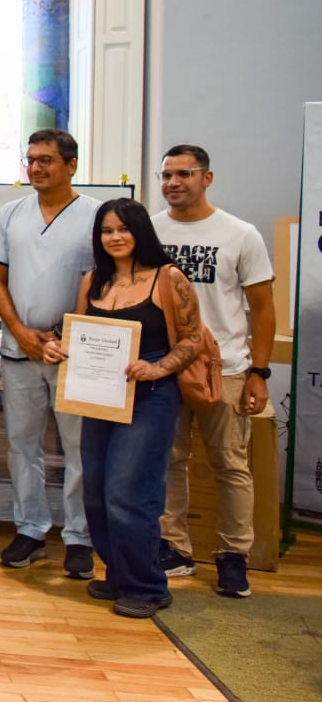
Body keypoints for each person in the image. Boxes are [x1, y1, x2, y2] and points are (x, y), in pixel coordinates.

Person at [41, 199, 203, 618]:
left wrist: (158, 367)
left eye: (123, 229)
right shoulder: (94, 281)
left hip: (151, 395)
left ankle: (147, 585)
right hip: (99, 395)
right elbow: (77, 333)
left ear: (140, 231)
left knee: (129, 493)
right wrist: (57, 347)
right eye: (106, 231)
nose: (114, 237)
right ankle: (119, 573)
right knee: (95, 492)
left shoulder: (168, 278)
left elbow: (193, 339)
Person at [152, 144, 276, 598]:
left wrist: (259, 371)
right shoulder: (150, 230)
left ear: (207, 178)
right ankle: (174, 548)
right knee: (169, 461)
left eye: (184, 174)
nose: (173, 183)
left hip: (225, 368)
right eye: (166, 175)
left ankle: (233, 556)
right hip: (166, 367)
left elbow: (263, 309)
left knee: (230, 464)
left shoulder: (240, 234)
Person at [0, 129, 100, 578]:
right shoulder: (11, 214)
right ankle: (30, 528)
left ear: (71, 165)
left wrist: (64, 335)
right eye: (30, 159)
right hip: (20, 350)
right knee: (22, 445)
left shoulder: (96, 216)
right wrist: (19, 331)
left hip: (73, 353)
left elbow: (104, 279)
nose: (36, 167)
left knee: (79, 448)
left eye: (46, 160)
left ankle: (79, 537)